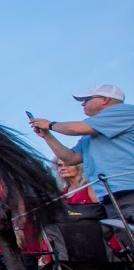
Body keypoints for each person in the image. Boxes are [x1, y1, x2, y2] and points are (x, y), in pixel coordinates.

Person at [30, 84, 134, 223]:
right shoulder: (92, 132)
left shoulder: (123, 111)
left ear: (105, 99)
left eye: (86, 99)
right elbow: (71, 158)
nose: (83, 104)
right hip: (110, 195)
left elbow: (76, 128)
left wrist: (50, 124)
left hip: (129, 188)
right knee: (126, 240)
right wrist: (47, 135)